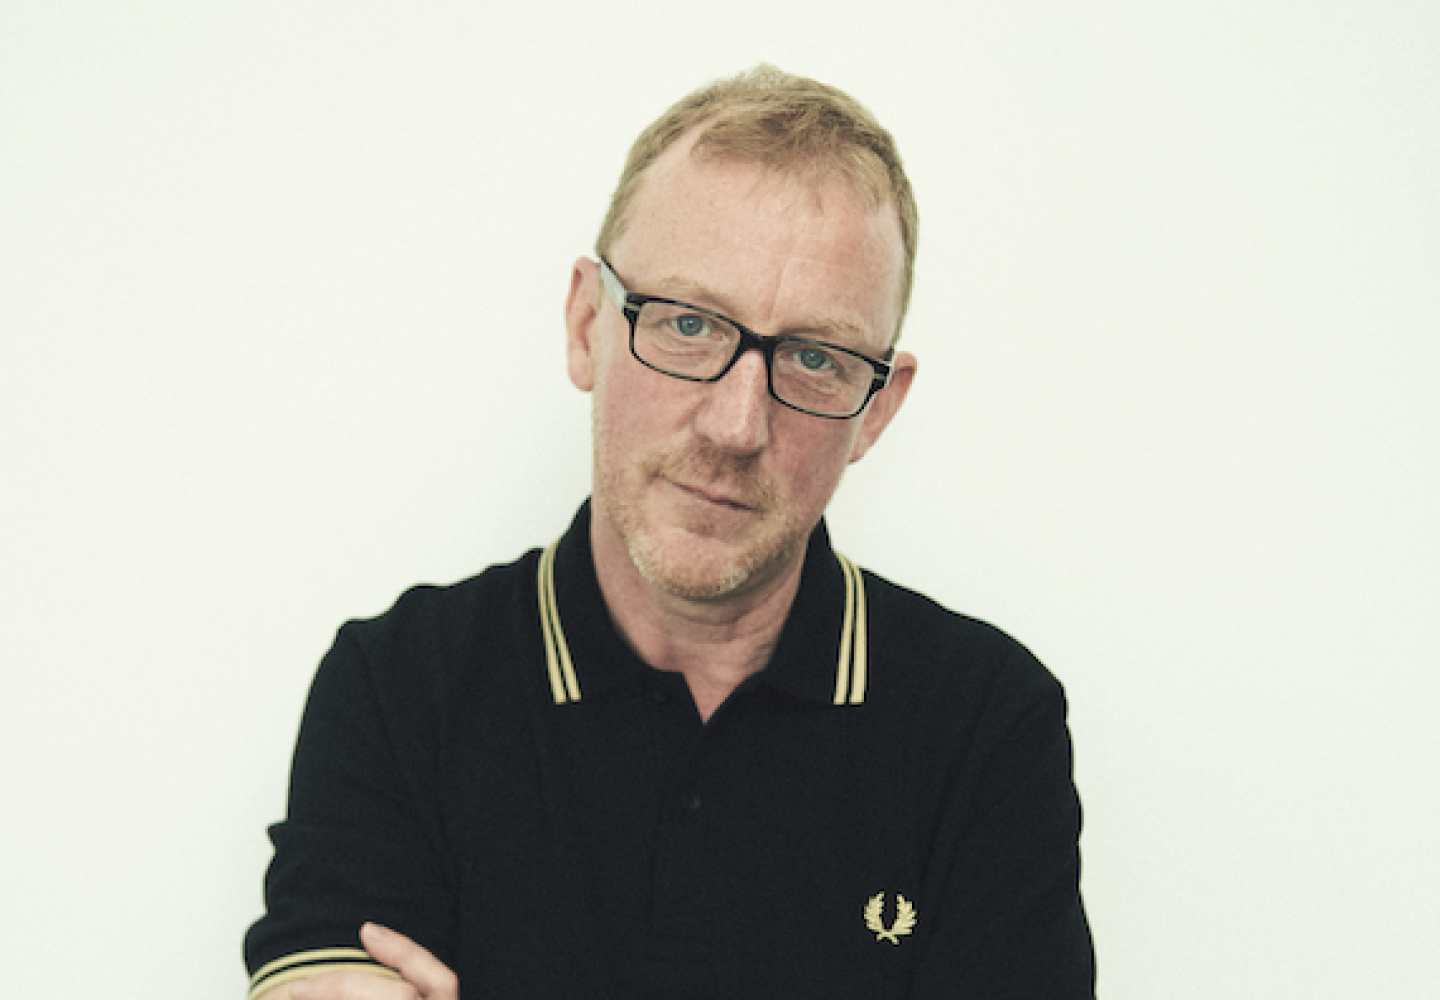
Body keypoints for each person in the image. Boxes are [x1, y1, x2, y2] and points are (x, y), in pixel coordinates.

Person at [244, 65, 1095, 999]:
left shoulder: (986, 726)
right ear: (587, 326)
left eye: (814, 358)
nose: (736, 426)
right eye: (689, 325)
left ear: (877, 410)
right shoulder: (399, 689)